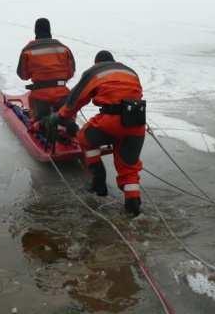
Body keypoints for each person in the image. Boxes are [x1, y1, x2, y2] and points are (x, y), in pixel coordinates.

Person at [48, 50, 146, 216]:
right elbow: (134, 96)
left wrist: (60, 116)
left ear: (96, 63)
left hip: (110, 121)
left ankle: (98, 179)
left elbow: (76, 99)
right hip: (136, 124)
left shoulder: (95, 72)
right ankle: (133, 208)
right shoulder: (130, 71)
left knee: (84, 137)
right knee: (129, 168)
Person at [16, 18, 76, 120]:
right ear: (49, 30)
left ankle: (38, 124)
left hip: (40, 96)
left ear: (35, 31)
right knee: (67, 121)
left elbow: (23, 75)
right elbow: (71, 72)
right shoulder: (64, 48)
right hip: (63, 95)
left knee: (38, 124)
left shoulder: (28, 50)